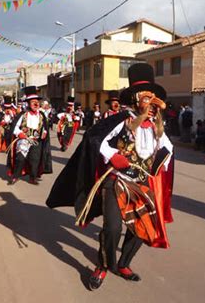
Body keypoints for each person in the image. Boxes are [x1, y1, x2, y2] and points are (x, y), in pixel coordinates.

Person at [46, 63, 174, 290]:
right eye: (147, 97)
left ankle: (123, 264)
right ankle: (103, 266)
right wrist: (113, 156)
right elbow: (96, 140)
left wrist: (159, 164)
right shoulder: (122, 119)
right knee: (113, 228)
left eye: (153, 98)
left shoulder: (157, 126)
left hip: (141, 185)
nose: (151, 102)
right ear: (136, 99)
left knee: (142, 229)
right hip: (116, 182)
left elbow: (168, 149)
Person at [7, 87, 50, 185]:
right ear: (28, 103)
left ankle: (32, 178)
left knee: (35, 160)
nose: (36, 104)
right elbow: (15, 127)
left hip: (36, 140)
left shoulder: (42, 115)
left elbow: (44, 127)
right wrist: (19, 133)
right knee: (20, 158)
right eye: (33, 102)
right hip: (24, 139)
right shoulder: (23, 115)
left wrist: (44, 132)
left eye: (37, 102)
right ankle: (15, 176)